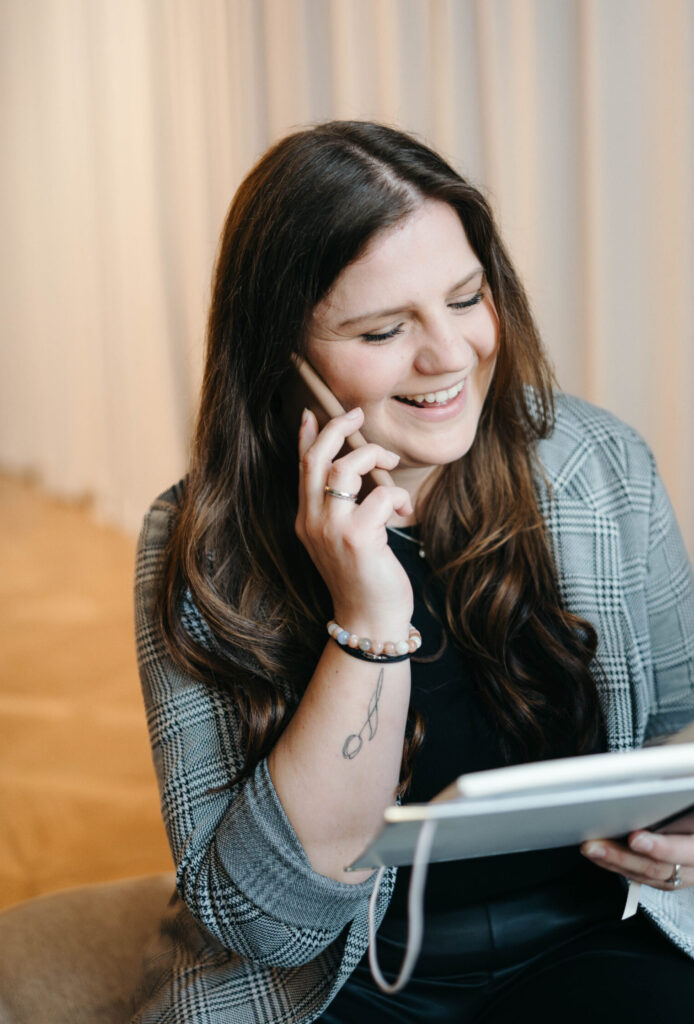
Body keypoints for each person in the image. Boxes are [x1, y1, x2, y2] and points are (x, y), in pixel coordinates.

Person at [130, 122, 694, 1024]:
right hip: (343, 981)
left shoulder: (601, 466)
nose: (450, 357)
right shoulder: (204, 541)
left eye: (467, 299)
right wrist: (370, 616)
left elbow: (682, 730)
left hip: (599, 939)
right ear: (287, 355)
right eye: (385, 329)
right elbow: (267, 923)